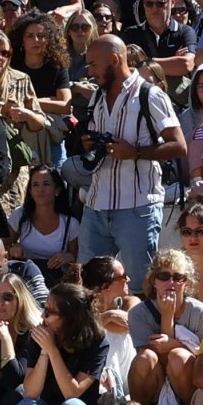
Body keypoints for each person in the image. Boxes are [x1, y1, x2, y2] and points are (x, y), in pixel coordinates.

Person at [74, 35, 185, 285]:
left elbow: (179, 145)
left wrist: (134, 152)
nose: (90, 72)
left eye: (93, 65)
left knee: (140, 286)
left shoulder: (150, 95)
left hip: (137, 209)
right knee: (87, 287)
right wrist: (91, 143)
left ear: (114, 60)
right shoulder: (97, 97)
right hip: (97, 204)